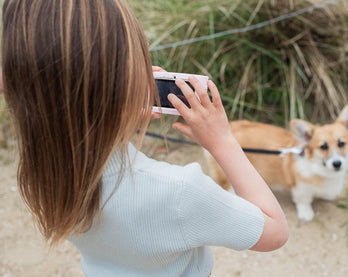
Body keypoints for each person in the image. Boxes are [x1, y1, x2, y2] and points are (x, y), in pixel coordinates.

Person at [1, 0, 289, 276]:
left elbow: (48, 97)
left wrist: (119, 113)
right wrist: (222, 141)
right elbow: (274, 232)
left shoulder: (45, 163)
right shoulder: (179, 191)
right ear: (123, 88)